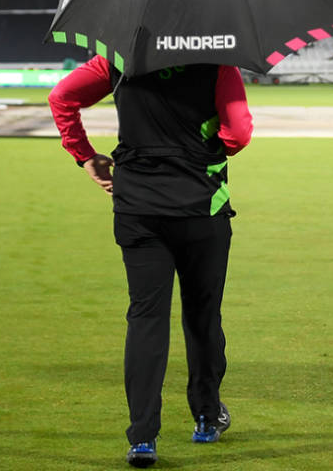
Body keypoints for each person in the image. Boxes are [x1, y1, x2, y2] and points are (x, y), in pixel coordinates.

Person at [49, 57, 253, 468]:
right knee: (202, 317)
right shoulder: (216, 60)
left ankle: (143, 438)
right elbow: (240, 134)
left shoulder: (119, 56)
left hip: (137, 207)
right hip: (201, 207)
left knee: (145, 319)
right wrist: (205, 141)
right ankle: (206, 417)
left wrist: (84, 154)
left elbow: (62, 97)